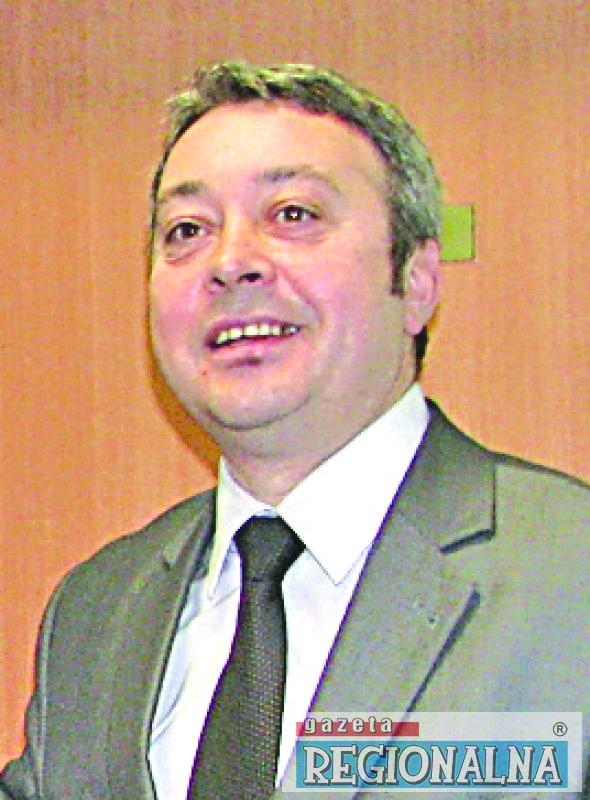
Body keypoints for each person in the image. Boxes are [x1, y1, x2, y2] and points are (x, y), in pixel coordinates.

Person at [1, 62, 588, 800]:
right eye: (187, 230)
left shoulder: (569, 573)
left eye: (293, 215)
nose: (230, 262)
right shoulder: (96, 612)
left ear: (416, 282)